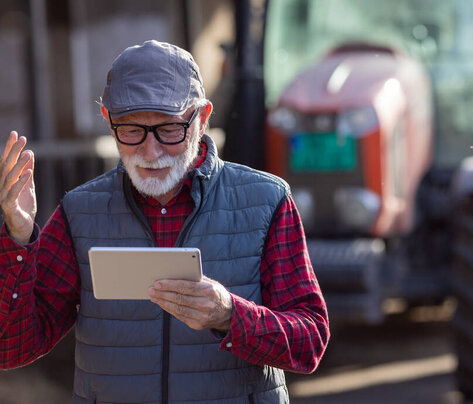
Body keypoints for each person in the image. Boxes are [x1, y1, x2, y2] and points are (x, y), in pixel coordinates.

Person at [0, 40, 329, 403]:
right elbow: (11, 349)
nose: (150, 151)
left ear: (201, 118)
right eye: (131, 130)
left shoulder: (266, 201)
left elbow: (309, 343)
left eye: (169, 130)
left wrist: (230, 315)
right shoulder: (79, 212)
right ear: (108, 119)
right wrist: (17, 237)